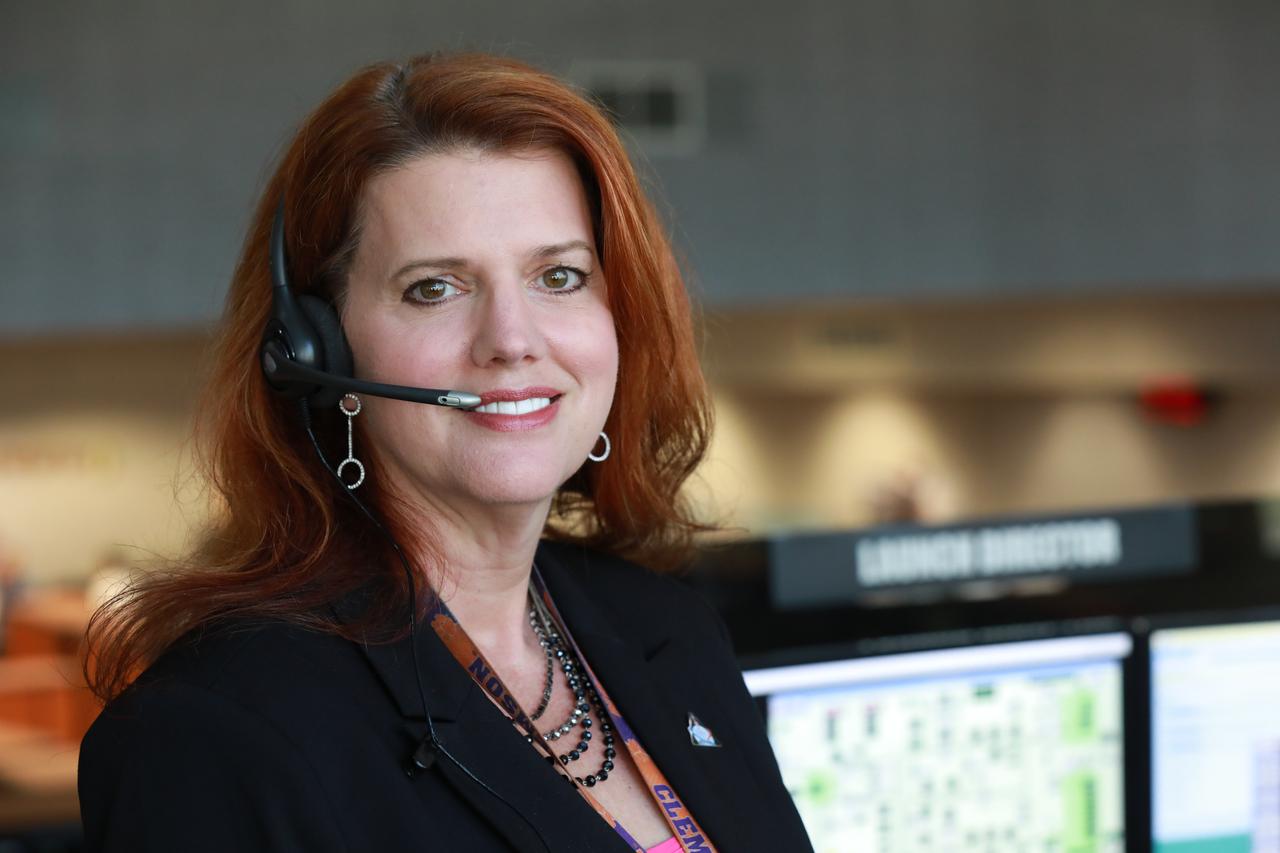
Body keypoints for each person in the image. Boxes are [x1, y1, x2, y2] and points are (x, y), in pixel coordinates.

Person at [77, 53, 813, 852]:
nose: (512, 340)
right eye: (436, 287)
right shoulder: (215, 734)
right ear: (319, 350)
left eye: (559, 275)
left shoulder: (669, 629)